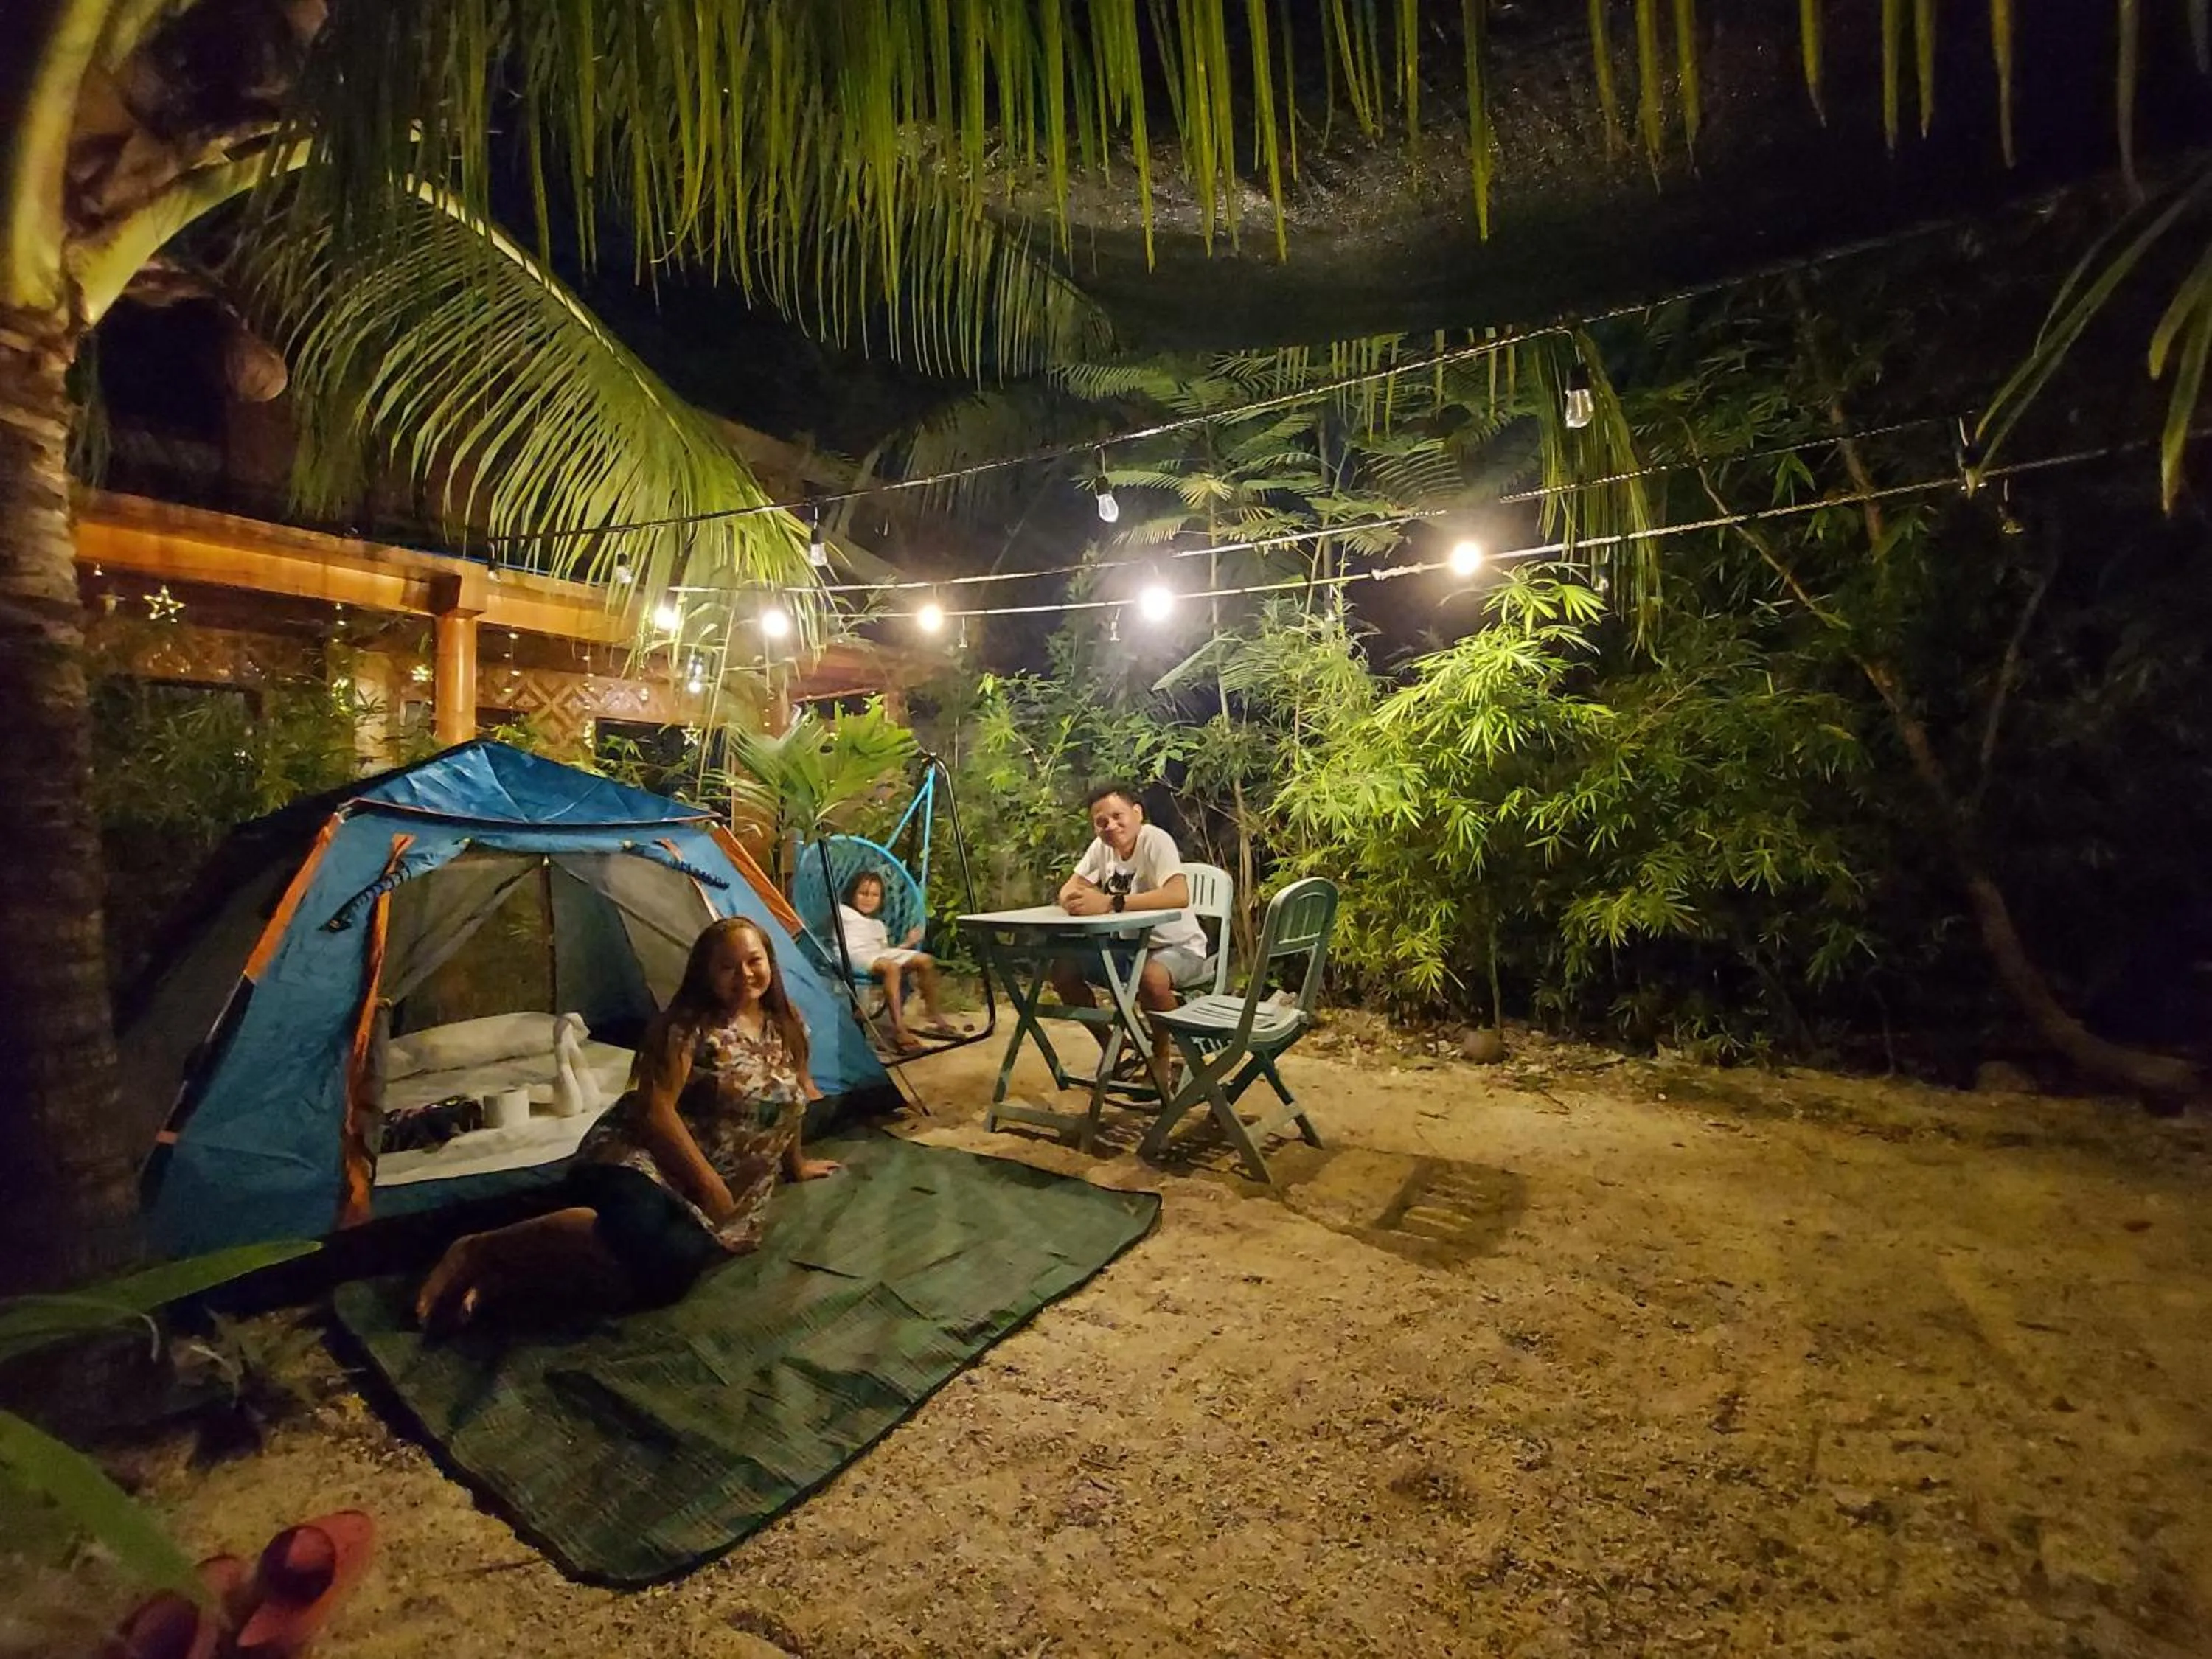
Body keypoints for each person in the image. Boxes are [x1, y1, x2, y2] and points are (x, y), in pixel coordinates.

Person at [413, 916, 841, 1332]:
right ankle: (477, 1250)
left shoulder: (787, 1024)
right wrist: (709, 1182)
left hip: (723, 1191)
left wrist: (796, 1164)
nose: (744, 974)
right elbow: (655, 1111)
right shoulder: (687, 1027)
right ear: (705, 974)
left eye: (754, 961)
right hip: (645, 1157)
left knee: (669, 1272)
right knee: (633, 1233)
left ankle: (508, 1276)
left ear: (769, 961)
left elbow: (791, 1103)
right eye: (727, 966)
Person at [1051, 781, 1213, 1084]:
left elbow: (1178, 895)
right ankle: (1115, 1046)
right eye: (1101, 822)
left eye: (1117, 816)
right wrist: (1073, 901)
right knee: (1063, 971)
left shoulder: (1155, 840)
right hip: (1128, 948)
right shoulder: (1102, 848)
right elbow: (1071, 887)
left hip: (1179, 947)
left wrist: (1112, 902)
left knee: (1150, 978)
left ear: (1137, 813)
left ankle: (1161, 1055)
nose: (1110, 826)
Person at [836, 869, 959, 1053]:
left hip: (876, 955)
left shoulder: (878, 926)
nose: (868, 899)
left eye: (875, 895)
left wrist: (909, 942)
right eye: (863, 893)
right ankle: (899, 1029)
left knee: (925, 961)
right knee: (892, 968)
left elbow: (885, 952)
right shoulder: (841, 911)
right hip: (851, 956)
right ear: (852, 894)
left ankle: (934, 1016)